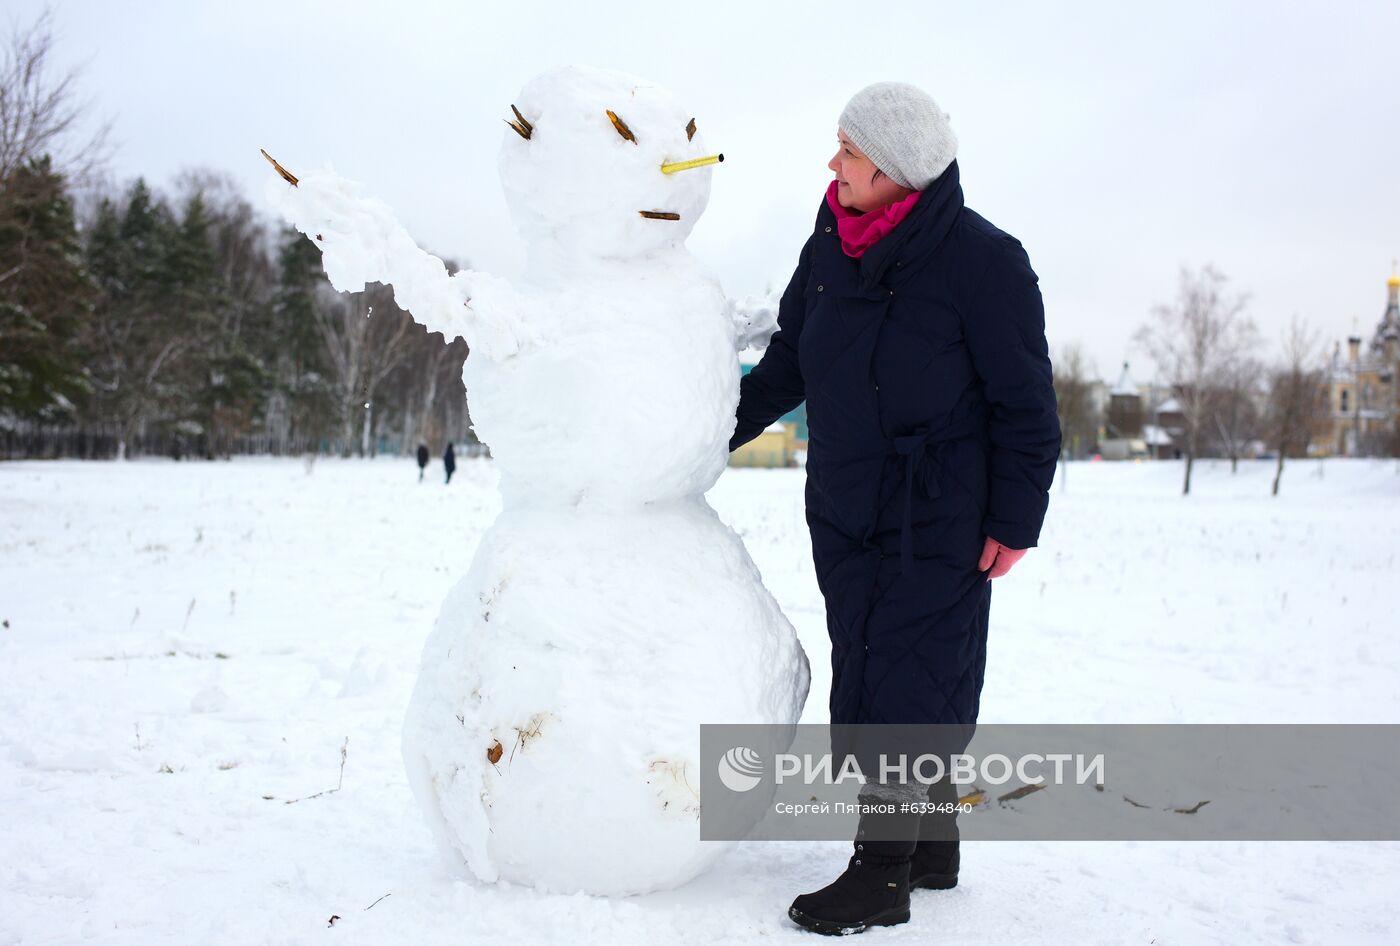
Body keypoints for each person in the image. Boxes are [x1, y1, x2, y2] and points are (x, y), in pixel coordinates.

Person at [729, 82, 1061, 935]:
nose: (832, 163)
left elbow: (1026, 405)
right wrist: (708, 431)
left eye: (848, 150)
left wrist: (1015, 520)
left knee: (911, 680)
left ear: (895, 168)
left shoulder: (984, 260)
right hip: (844, 504)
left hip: (939, 512)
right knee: (870, 666)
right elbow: (790, 359)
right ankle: (931, 845)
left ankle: (881, 875)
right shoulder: (829, 246)